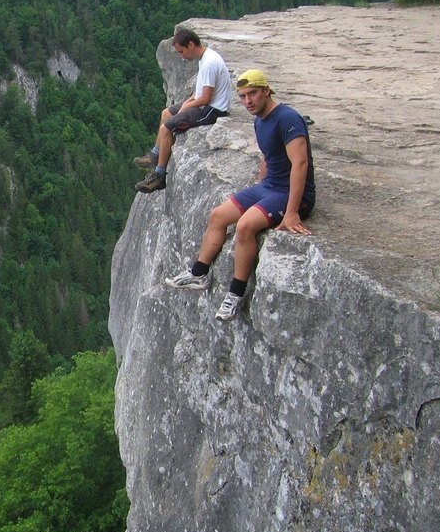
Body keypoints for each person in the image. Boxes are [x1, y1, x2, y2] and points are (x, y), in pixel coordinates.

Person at [163, 69, 315, 321]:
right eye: (243, 97)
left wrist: (291, 212)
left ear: (267, 90)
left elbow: (300, 165)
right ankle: (198, 273)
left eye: (252, 94)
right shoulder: (260, 119)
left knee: (245, 226)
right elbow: (268, 156)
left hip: (291, 193)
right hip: (270, 186)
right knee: (218, 215)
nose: (248, 102)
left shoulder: (288, 119)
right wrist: (257, 188)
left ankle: (234, 296)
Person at [134, 28, 233, 193]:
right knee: (166, 114)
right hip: (202, 103)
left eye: (181, 51)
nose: (181, 56)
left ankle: (159, 176)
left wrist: (187, 106)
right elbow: (201, 90)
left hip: (212, 109)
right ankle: (155, 155)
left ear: (191, 45)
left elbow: (207, 98)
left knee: (166, 128)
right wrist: (188, 100)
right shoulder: (205, 57)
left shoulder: (208, 63)